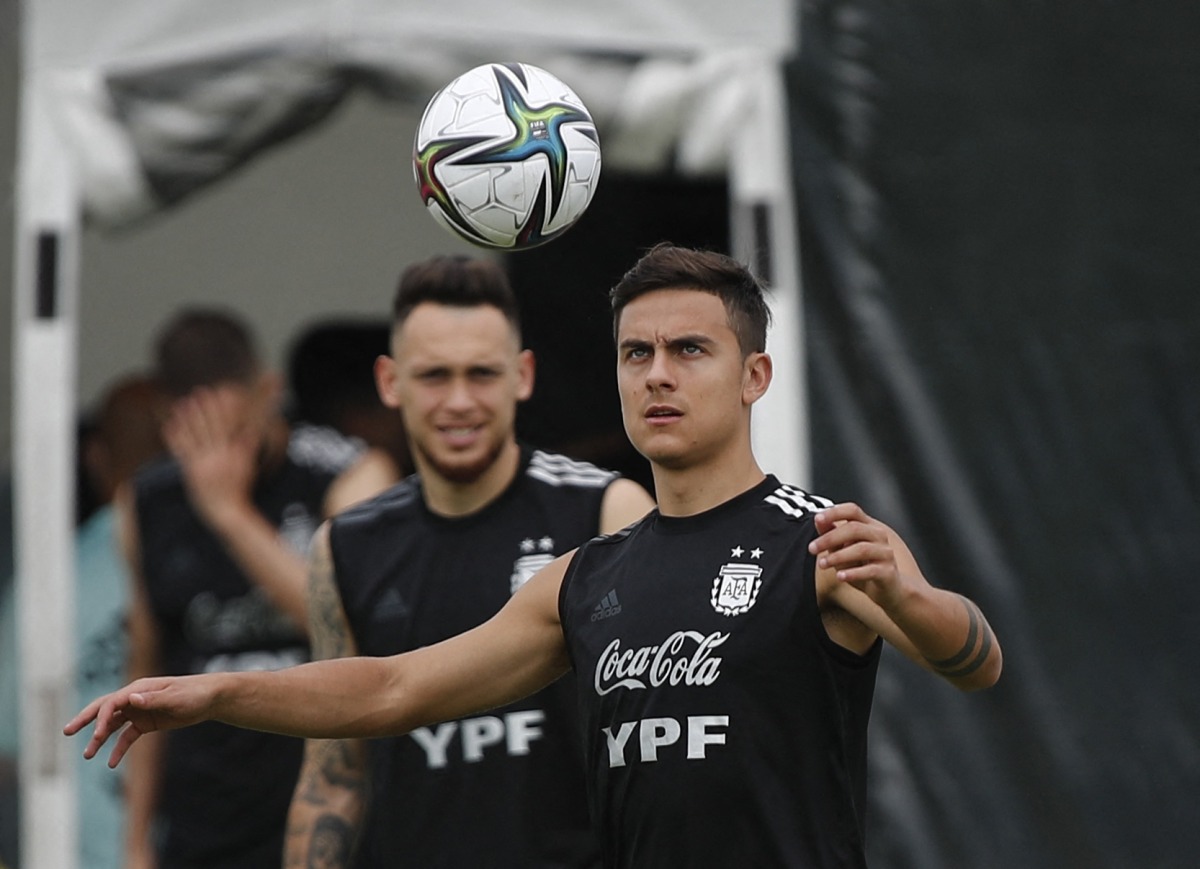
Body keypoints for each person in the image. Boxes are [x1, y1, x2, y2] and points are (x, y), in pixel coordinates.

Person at [68, 245, 1003, 868]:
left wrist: (912, 596)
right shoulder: (588, 576)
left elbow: (976, 660)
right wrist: (213, 694)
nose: (659, 374)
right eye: (636, 354)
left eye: (689, 349)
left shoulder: (818, 539)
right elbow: (392, 690)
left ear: (754, 375)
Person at [283, 256, 655, 868]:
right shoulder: (345, 549)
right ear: (390, 382)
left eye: (482, 373)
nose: (459, 401)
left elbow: (665, 747)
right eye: (434, 376)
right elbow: (334, 777)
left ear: (523, 374)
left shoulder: (605, 513)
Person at [118, 309, 360, 869]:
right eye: (199, 437)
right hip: (202, 821)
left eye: (236, 432)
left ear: (268, 392)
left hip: (322, 812)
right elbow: (143, 674)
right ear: (168, 420)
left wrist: (229, 514)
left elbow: (345, 622)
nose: (219, 458)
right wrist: (135, 842)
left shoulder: (344, 475)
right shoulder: (146, 504)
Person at [0, 373, 167, 869]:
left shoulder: (49, 580)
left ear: (96, 457)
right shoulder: (225, 569)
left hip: (81, 849)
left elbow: (10, 741)